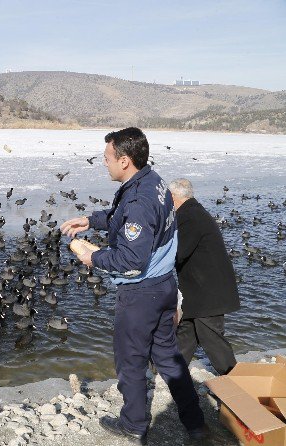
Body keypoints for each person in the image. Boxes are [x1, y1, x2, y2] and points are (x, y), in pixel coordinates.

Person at [61, 128, 206, 445]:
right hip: (165, 286)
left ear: (124, 160)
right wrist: (91, 220)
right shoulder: (153, 182)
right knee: (168, 358)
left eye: (107, 157)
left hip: (142, 293)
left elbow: (131, 259)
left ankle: (134, 425)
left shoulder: (140, 199)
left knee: (131, 360)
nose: (104, 162)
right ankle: (195, 422)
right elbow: (123, 217)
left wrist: (94, 257)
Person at [168, 178, 240, 375]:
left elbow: (178, 252)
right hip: (200, 292)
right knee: (186, 334)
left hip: (208, 294)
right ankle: (170, 373)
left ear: (174, 197)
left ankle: (233, 380)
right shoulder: (192, 212)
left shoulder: (190, 216)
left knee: (212, 339)